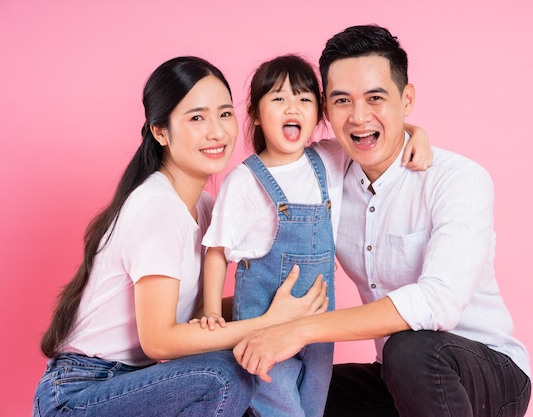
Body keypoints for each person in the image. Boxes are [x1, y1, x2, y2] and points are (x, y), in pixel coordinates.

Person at [233, 25, 532, 417]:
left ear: (407, 98)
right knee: (267, 387)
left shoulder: (458, 179)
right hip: (396, 377)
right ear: (326, 109)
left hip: (487, 375)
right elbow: (277, 152)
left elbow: (437, 303)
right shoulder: (324, 174)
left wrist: (299, 330)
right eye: (342, 101)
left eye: (376, 97)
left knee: (410, 347)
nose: (358, 117)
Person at [32, 56, 331, 417]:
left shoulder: (203, 206)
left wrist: (285, 307)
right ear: (161, 132)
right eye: (196, 118)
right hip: (81, 395)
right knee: (225, 375)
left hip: (137, 385)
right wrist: (268, 322)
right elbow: (159, 340)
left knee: (249, 365)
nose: (217, 132)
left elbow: (196, 318)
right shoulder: (157, 207)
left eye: (223, 114)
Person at [197, 54, 432, 417]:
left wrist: (418, 134)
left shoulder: (327, 159)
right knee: (280, 410)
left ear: (319, 113)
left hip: (319, 331)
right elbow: (216, 249)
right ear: (256, 113)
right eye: (278, 99)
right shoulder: (244, 181)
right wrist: (212, 311)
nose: (293, 107)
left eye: (304, 99)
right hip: (264, 324)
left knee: (313, 409)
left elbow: (376, 136)